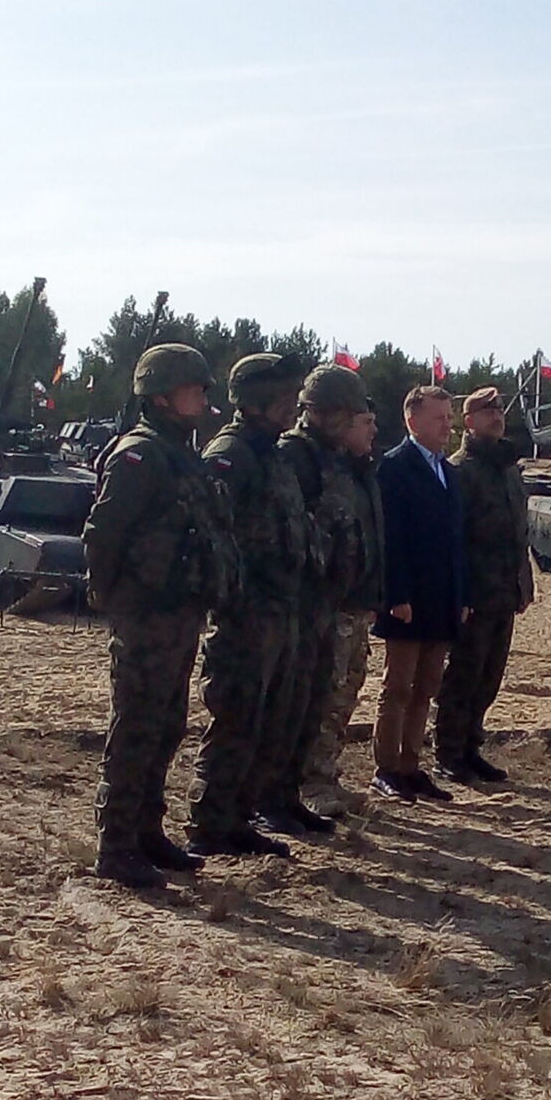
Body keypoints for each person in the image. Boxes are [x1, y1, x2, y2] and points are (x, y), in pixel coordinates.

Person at [83, 344, 235, 891]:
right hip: (146, 615)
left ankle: (147, 831)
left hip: (178, 611)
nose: (203, 397)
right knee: (136, 727)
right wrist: (118, 600)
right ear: (162, 396)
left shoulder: (180, 454)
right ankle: (116, 845)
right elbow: (103, 535)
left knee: (166, 725)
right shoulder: (139, 456)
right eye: (193, 388)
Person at [186, 351, 311, 859]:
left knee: (267, 719)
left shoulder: (272, 454)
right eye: (283, 397)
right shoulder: (230, 454)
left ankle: (238, 817)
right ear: (256, 400)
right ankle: (210, 822)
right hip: (245, 614)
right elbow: (211, 530)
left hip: (279, 608)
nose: (292, 406)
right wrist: (235, 593)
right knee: (235, 719)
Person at [273, 363, 376, 831]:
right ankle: (304, 785)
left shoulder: (340, 460)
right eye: (346, 414)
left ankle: (318, 778)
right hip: (309, 602)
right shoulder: (294, 457)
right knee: (311, 701)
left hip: (340, 598)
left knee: (334, 694)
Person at [372, 384, 470, 802]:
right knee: (398, 688)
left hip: (442, 599)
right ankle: (387, 768)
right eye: (439, 418)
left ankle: (412, 767)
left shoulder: (447, 470)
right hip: (407, 600)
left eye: (450, 417)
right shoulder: (394, 467)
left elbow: (456, 540)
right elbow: (391, 539)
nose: (448, 426)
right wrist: (396, 595)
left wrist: (462, 596)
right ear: (412, 421)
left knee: (426, 687)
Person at [435, 385, 534, 784]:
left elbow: (519, 533)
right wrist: (458, 593)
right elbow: (451, 539)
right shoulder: (461, 471)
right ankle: (449, 752)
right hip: (474, 593)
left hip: (504, 591)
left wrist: (523, 585)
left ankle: (471, 747)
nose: (497, 417)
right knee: (463, 675)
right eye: (487, 412)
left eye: (500, 411)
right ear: (468, 421)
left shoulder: (508, 470)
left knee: (489, 677)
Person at [305, 396, 384, 814]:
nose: (374, 430)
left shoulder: (361, 472)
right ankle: (311, 785)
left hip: (357, 605)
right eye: (366, 421)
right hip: (331, 607)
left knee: (345, 695)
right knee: (325, 696)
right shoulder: (321, 469)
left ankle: (327, 775)